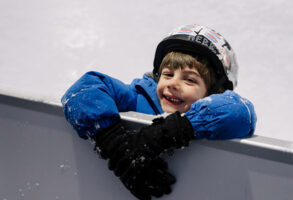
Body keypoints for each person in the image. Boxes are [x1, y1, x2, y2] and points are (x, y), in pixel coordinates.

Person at [61, 24, 257, 200]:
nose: (173, 83)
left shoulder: (224, 109)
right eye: (168, 74)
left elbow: (241, 112)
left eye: (189, 80)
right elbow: (84, 89)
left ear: (215, 91)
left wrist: (175, 130)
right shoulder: (138, 98)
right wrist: (114, 144)